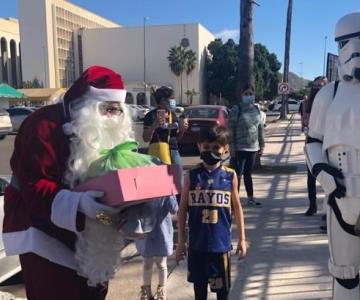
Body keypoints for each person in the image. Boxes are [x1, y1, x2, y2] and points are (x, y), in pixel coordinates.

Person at [2, 66, 135, 300]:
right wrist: (80, 205)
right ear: (85, 104)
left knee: (92, 291)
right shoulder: (42, 125)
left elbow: (103, 201)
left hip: (89, 235)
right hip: (42, 233)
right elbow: (34, 187)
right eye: (107, 108)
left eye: (118, 110)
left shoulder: (105, 132)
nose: (114, 117)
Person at [305, 11, 360, 299]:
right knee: (345, 275)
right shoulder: (329, 94)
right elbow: (312, 142)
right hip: (342, 194)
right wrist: (323, 174)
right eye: (347, 44)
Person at [176, 126, 247, 300]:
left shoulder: (229, 175)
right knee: (199, 293)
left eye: (216, 148)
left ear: (225, 149)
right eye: (206, 147)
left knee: (222, 293)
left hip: (220, 247)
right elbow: (183, 209)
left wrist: (242, 239)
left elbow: (237, 207)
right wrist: (180, 242)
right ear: (199, 147)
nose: (211, 151)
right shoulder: (192, 175)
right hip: (197, 246)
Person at [143, 86, 188, 185]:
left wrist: (182, 130)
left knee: (178, 183)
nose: (173, 101)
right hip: (158, 153)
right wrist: (154, 126)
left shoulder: (174, 115)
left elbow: (177, 138)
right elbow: (145, 138)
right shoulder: (151, 116)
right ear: (163, 100)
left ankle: (178, 200)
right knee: (159, 184)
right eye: (171, 98)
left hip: (174, 152)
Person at [228, 84, 265, 207]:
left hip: (253, 147)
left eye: (250, 94)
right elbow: (230, 129)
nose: (248, 96)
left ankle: (250, 198)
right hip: (239, 148)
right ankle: (234, 200)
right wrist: (232, 147)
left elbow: (260, 128)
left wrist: (262, 144)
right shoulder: (236, 109)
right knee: (237, 174)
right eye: (246, 94)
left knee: (248, 174)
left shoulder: (256, 109)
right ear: (241, 95)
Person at [136, 196, 178, 300]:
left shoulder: (166, 190)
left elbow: (174, 209)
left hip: (162, 232)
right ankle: (146, 290)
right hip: (147, 232)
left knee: (161, 264)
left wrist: (169, 195)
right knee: (147, 263)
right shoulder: (142, 189)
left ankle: (162, 290)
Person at [302, 76, 328, 216]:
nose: (319, 89)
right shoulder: (307, 103)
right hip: (312, 140)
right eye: (317, 86)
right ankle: (312, 205)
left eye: (322, 85)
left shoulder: (332, 102)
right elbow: (305, 122)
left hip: (328, 141)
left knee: (329, 177)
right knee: (311, 175)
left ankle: (328, 210)